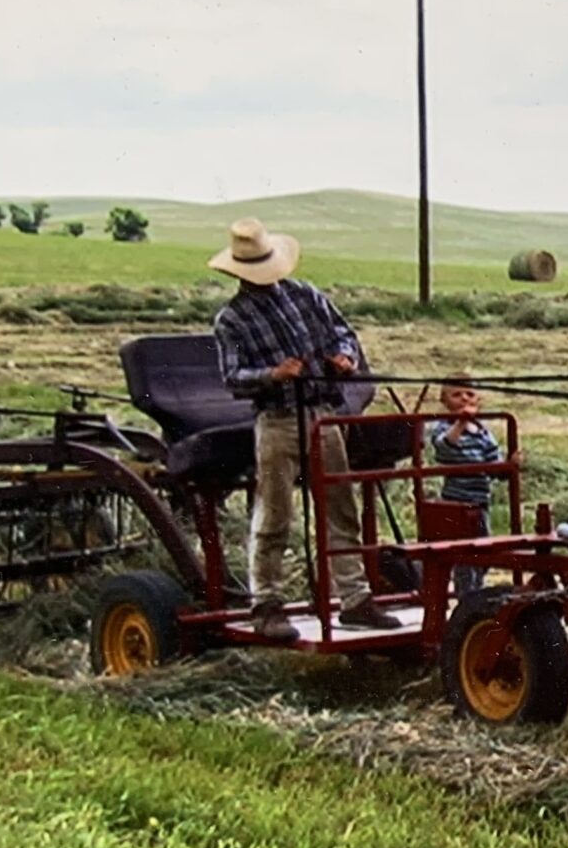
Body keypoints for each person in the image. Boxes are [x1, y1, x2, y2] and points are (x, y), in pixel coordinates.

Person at [207, 217, 398, 642]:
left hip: (323, 415)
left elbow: (342, 333)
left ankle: (354, 599)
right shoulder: (231, 319)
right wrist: (272, 374)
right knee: (275, 512)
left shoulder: (305, 294)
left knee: (340, 507)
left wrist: (344, 357)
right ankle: (267, 604)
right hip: (277, 421)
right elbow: (233, 377)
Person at [426, 378, 504, 595]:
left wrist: (509, 466)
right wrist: (460, 423)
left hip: (480, 501)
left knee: (484, 549)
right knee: (464, 553)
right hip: (456, 502)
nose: (464, 399)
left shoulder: (482, 432)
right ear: (444, 401)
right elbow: (444, 447)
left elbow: (494, 464)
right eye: (456, 395)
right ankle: (466, 596)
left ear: (478, 399)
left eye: (469, 394)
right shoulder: (444, 427)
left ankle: (477, 590)